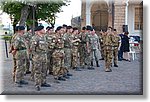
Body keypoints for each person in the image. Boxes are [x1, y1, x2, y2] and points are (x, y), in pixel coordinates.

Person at [30, 26, 51, 91]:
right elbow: (32, 48)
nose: (44, 30)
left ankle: (43, 82)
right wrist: (35, 56)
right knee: (37, 71)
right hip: (38, 57)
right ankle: (37, 84)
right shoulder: (35, 38)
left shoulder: (44, 37)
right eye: (43, 29)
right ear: (39, 30)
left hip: (44, 56)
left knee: (44, 70)